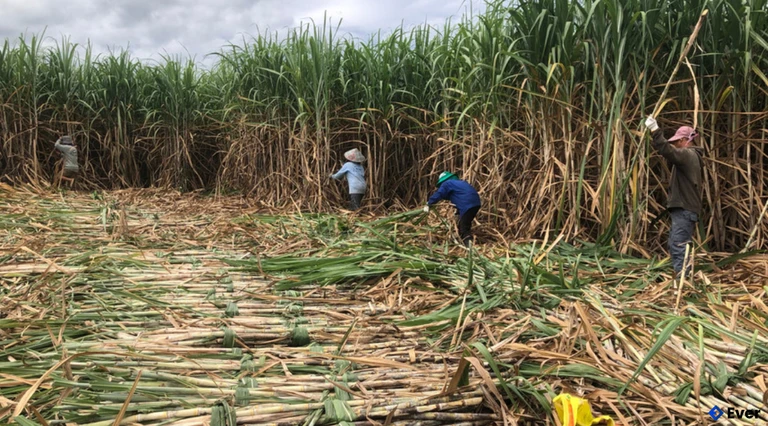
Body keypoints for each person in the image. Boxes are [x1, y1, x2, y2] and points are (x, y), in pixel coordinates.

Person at [644, 116, 704, 279]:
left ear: (685, 140)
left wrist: (655, 130)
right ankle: (685, 278)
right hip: (685, 208)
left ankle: (683, 281)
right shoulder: (691, 157)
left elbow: (667, 151)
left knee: (678, 245)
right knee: (678, 244)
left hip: (685, 208)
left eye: (677, 141)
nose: (675, 145)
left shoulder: (687, 154)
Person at [423, 171, 481, 246]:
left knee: (464, 228)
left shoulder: (447, 183)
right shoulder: (459, 183)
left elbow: (440, 193)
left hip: (466, 205)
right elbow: (461, 196)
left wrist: (429, 203)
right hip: (476, 203)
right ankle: (461, 241)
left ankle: (470, 247)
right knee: (464, 222)